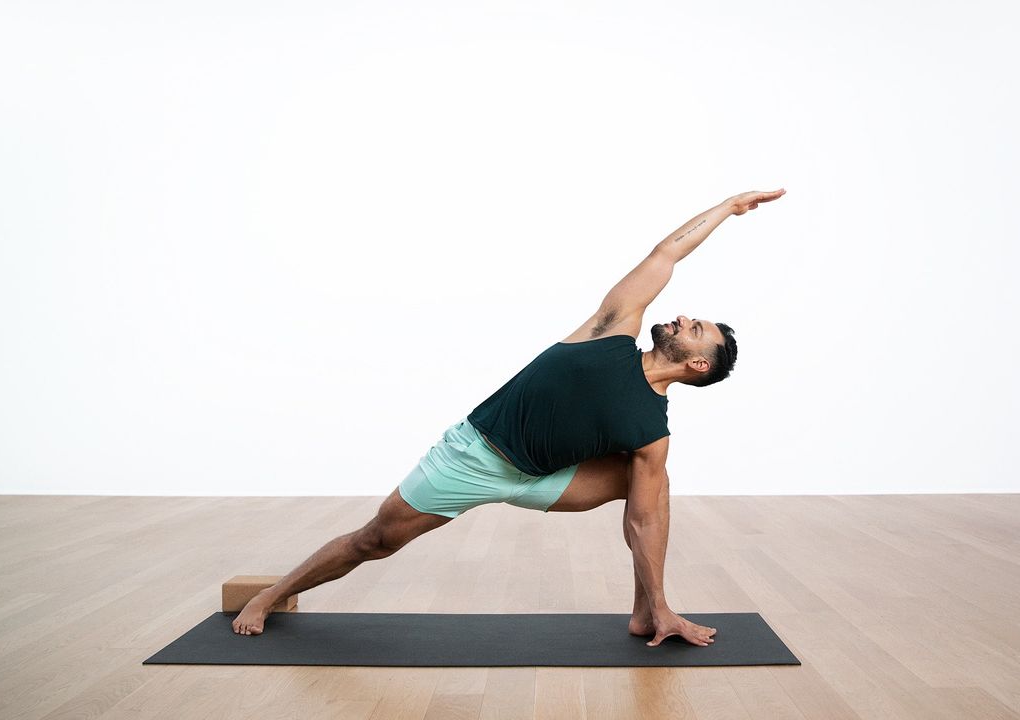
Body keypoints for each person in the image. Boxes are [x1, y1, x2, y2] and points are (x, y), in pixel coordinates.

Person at [232, 188, 786, 647]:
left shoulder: (651, 432)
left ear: (695, 364)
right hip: (476, 455)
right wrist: (727, 208)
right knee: (375, 540)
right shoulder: (610, 332)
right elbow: (665, 254)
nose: (683, 317)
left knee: (651, 483)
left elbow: (642, 522)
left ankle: (651, 612)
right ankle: (272, 594)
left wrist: (662, 599)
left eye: (695, 330)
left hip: (544, 479)